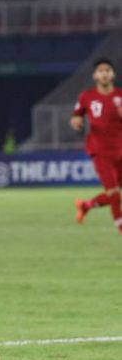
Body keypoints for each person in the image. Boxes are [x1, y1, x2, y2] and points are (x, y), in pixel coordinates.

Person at [71, 58, 122, 235]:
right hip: (101, 152)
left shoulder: (120, 96)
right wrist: (77, 123)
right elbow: (76, 116)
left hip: (120, 151)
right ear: (95, 75)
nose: (104, 74)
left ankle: (86, 205)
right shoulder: (87, 96)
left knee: (112, 195)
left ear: (113, 74)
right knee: (114, 194)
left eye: (108, 70)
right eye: (101, 71)